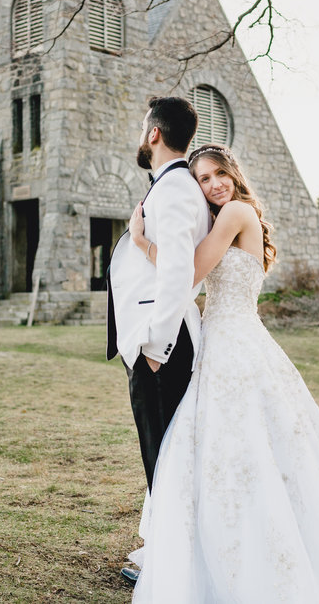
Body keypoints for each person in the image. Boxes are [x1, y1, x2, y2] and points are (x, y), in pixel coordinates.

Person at [125, 144, 319, 602]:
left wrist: (140, 240)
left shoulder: (234, 213)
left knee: (240, 450)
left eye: (219, 173)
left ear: (233, 173)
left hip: (234, 346)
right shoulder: (227, 218)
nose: (213, 184)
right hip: (224, 341)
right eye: (203, 179)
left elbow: (187, 273)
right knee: (230, 451)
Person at [105, 97, 211, 584]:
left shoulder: (173, 190)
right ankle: (171, 556)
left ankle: (175, 568)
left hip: (161, 346)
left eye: (142, 125)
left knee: (163, 457)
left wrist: (154, 347)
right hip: (160, 342)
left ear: (154, 134)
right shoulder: (174, 186)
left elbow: (176, 273)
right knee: (167, 457)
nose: (140, 131)